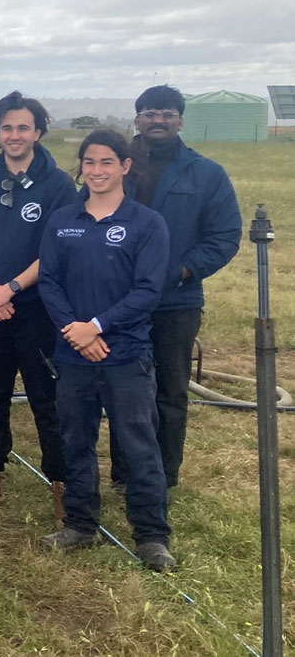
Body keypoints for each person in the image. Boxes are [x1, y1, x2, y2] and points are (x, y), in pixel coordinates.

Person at [37, 129, 175, 572]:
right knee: (76, 440)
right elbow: (50, 283)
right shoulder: (62, 220)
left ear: (125, 166)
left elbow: (148, 290)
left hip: (125, 355)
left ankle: (152, 535)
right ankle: (80, 523)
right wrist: (74, 331)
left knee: (138, 444)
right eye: (89, 163)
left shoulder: (146, 223)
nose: (96, 171)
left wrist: (97, 327)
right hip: (73, 355)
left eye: (106, 163)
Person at [0, 91, 78, 521]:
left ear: (38, 131)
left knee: (47, 396)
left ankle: (62, 482)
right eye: (7, 127)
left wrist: (11, 288)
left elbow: (58, 248)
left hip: (39, 307)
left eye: (23, 127)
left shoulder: (59, 186)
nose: (15, 135)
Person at [108, 85, 240, 490]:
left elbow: (224, 236)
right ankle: (124, 472)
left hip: (174, 302)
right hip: (118, 301)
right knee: (123, 389)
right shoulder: (112, 165)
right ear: (137, 119)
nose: (158, 119)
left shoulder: (205, 173)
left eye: (166, 113)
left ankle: (163, 476)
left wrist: (181, 271)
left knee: (169, 391)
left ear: (180, 120)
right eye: (149, 112)